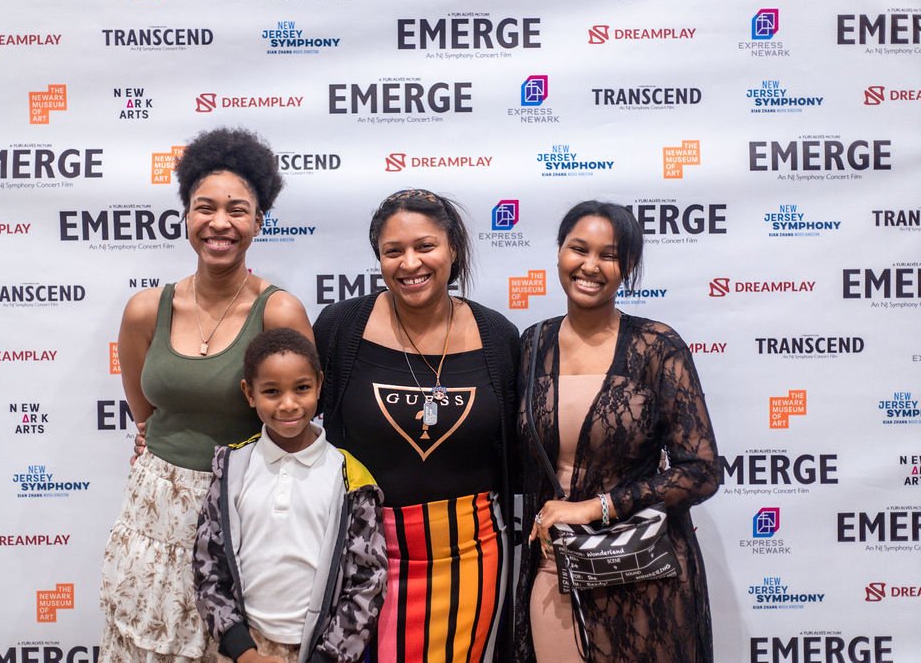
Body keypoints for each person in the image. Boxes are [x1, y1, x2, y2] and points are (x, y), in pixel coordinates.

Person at [100, 127, 313, 663]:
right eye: (205, 207)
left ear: (259, 221)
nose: (220, 223)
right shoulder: (145, 310)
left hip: (243, 513)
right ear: (186, 216)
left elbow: (297, 418)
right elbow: (146, 414)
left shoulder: (279, 312)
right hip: (155, 511)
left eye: (238, 210)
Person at [313, 189, 521, 663]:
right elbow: (293, 417)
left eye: (425, 246)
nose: (410, 263)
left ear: (454, 250)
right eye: (394, 251)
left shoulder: (498, 337)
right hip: (363, 555)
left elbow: (524, 440)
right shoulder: (340, 327)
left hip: (470, 555)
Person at [519, 200, 720, 663]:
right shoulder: (533, 344)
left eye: (608, 255)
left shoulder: (657, 346)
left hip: (642, 575)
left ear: (627, 267)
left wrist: (597, 507)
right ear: (559, 252)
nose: (590, 266)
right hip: (556, 571)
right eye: (578, 249)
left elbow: (702, 470)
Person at [193, 328, 387, 663]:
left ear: (319, 385)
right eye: (271, 391)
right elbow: (208, 568)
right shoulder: (232, 469)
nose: (288, 404)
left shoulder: (350, 478)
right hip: (244, 651)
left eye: (302, 388)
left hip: (320, 652)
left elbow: (367, 581)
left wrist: (326, 657)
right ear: (249, 393)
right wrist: (245, 653)